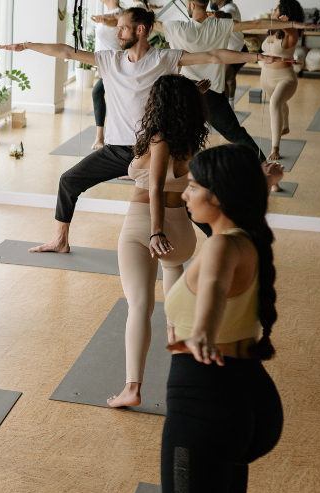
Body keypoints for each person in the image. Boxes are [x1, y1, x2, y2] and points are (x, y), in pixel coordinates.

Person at [0, 7, 291, 254]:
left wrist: (257, 58)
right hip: (117, 149)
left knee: (185, 201)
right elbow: (66, 52)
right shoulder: (109, 60)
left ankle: (230, 242)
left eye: (123, 28)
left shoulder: (163, 59)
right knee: (68, 181)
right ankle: (61, 240)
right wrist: (27, 45)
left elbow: (212, 56)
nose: (117, 32)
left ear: (140, 30)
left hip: (155, 150)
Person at [164, 143, 283, 493]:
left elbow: (210, 286)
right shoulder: (247, 233)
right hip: (252, 404)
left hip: (204, 409)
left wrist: (201, 331)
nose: (186, 194)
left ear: (219, 197)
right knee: (226, 464)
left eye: (193, 186)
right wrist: (265, 182)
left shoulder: (218, 246)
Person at [94, 1, 318, 162]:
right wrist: (294, 25)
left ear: (191, 5)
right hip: (211, 93)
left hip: (185, 94)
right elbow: (256, 24)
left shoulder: (176, 28)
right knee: (234, 135)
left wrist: (117, 17)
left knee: (178, 136)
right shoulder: (220, 26)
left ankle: (147, 168)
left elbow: (147, 23)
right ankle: (266, 169)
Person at [108, 75, 205, 409]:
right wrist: (195, 94)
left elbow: (155, 187)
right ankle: (184, 384)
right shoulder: (190, 138)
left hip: (146, 228)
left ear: (158, 103)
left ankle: (132, 388)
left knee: (139, 305)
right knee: (174, 314)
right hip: (183, 235)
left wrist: (155, 231)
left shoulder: (160, 139)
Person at [260, 0, 308, 168]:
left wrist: (285, 22)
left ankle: (275, 147)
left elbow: (291, 29)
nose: (273, 10)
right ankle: (285, 126)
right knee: (280, 102)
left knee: (275, 103)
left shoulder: (291, 33)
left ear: (285, 13)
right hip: (267, 77)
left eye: (277, 8)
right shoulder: (276, 32)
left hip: (285, 78)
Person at [91, 0, 126, 152]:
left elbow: (115, 22)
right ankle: (103, 136)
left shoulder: (120, 14)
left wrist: (106, 20)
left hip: (115, 65)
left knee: (98, 93)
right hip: (106, 66)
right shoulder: (109, 14)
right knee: (100, 94)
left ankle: (102, 137)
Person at [211, 0, 247, 105]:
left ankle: (226, 108)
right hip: (234, 50)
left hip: (236, 52)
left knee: (222, 80)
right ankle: (230, 105)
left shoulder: (231, 8)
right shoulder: (222, 8)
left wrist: (218, 15)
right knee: (230, 79)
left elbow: (227, 15)